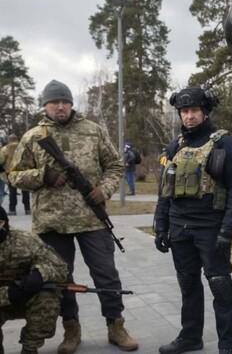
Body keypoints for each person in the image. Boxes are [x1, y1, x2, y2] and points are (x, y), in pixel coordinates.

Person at [7, 80, 138, 353]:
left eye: (65, 101)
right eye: (54, 102)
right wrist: (42, 176)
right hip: (51, 222)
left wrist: (105, 189)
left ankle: (116, 326)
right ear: (45, 105)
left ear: (71, 104)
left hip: (91, 219)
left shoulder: (93, 131)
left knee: (106, 275)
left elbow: (115, 164)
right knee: (60, 280)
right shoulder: (33, 136)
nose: (60, 106)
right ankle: (71, 329)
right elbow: (14, 175)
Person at [154, 87, 232, 354]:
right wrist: (160, 226)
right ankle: (190, 337)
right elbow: (165, 188)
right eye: (184, 111)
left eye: (194, 110)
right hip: (179, 227)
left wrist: (227, 230)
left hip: (210, 228)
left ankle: (227, 346)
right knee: (188, 285)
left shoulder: (223, 143)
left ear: (205, 112)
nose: (189, 116)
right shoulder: (176, 145)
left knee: (220, 286)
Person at [0, 205, 68, 354]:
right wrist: (8, 295)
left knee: (48, 299)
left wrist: (39, 274)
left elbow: (60, 266)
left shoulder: (25, 240)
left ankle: (29, 348)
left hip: (28, 297)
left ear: (3, 223)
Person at [0, 134, 31, 215]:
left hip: (11, 172)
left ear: (9, 140)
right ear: (17, 139)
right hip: (23, 172)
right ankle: (27, 209)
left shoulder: (5, 148)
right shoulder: (23, 147)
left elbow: (1, 160)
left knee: (12, 191)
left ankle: (12, 210)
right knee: (25, 191)